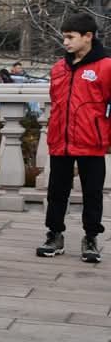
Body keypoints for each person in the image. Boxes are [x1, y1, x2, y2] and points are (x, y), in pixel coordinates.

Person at [37, 13, 111, 262]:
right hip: (60, 141)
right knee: (57, 191)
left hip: (92, 142)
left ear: (88, 37)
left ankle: (91, 238)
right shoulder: (59, 68)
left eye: (70, 37)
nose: (65, 42)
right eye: (64, 37)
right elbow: (57, 103)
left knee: (92, 193)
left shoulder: (106, 67)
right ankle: (54, 235)